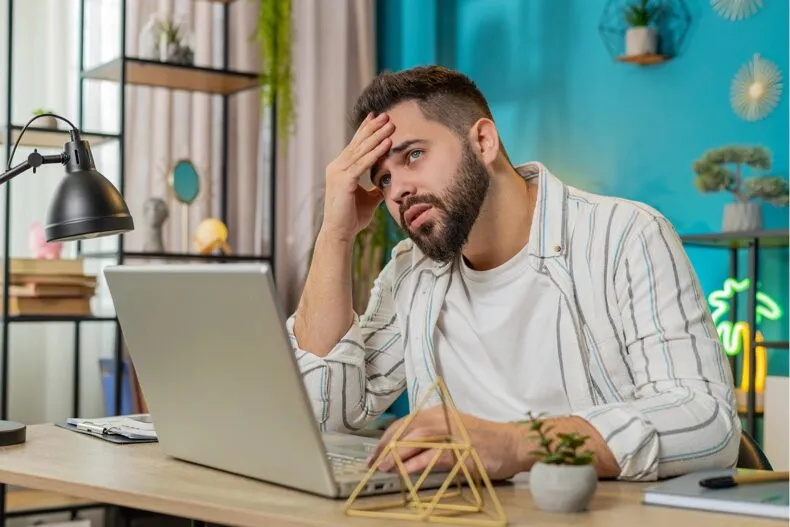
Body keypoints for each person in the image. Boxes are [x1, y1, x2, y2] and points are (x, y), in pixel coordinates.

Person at [287, 65, 740, 482]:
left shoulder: (626, 237)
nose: (398, 189)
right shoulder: (412, 272)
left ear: (483, 142)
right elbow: (326, 412)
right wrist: (335, 234)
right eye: (383, 179)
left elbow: (707, 423)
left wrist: (518, 444)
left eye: (414, 155)